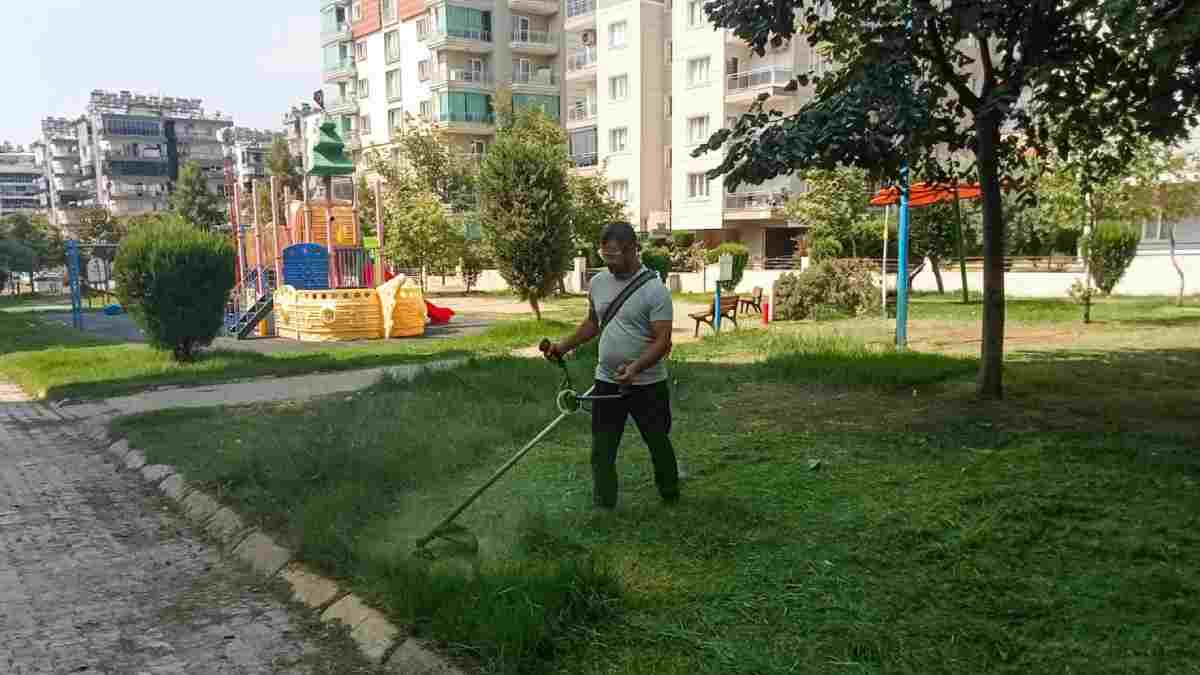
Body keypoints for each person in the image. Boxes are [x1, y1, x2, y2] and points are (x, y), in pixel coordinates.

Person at [544, 222, 680, 508]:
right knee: (602, 448)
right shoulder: (598, 283)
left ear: (632, 249)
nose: (609, 263)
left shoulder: (655, 291)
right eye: (605, 257)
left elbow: (662, 342)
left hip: (648, 384)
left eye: (615, 256)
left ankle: (670, 495)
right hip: (606, 380)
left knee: (657, 442)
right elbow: (593, 323)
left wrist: (635, 369)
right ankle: (604, 504)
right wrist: (563, 347)